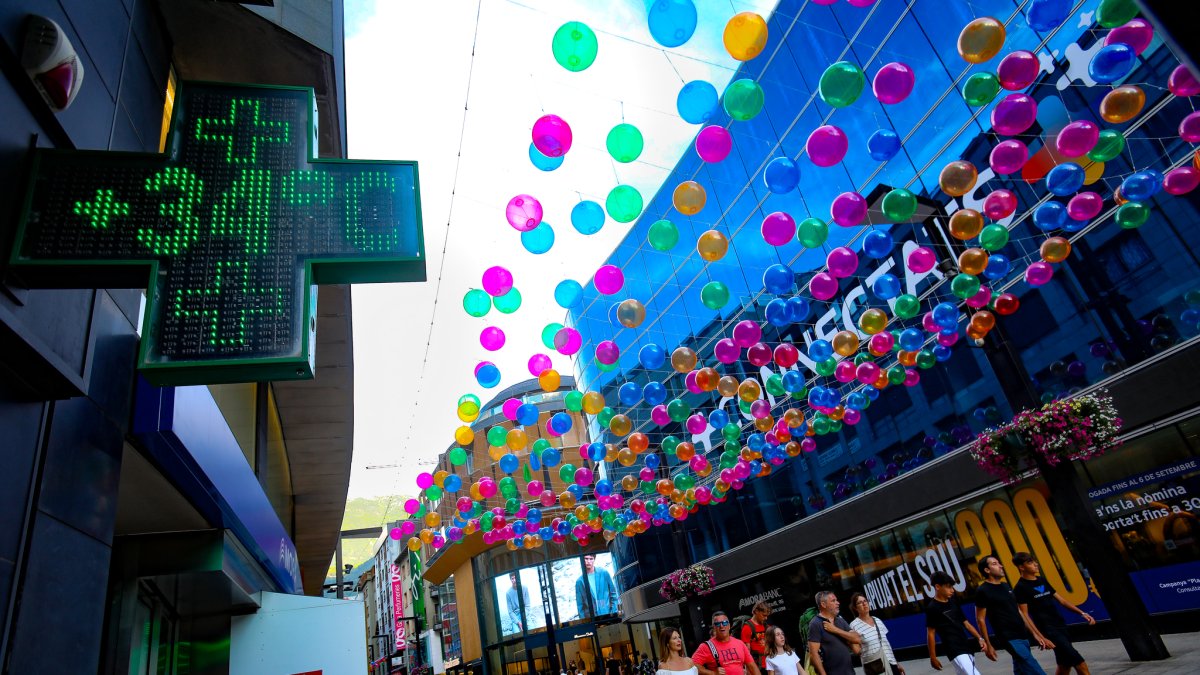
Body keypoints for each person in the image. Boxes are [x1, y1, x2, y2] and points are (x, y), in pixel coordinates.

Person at [1011, 552, 1095, 675]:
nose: (1035, 564)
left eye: (1034, 561)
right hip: (1048, 630)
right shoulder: (1020, 588)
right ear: (1021, 567)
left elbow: (1062, 600)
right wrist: (1040, 636)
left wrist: (1082, 613)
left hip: (1060, 625)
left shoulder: (1042, 580)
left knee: (1064, 664)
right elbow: (1024, 615)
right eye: (1030, 562)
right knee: (1079, 662)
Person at [973, 555, 1050, 675]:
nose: (1000, 566)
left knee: (1021, 669)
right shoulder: (983, 590)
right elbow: (980, 619)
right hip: (1009, 637)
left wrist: (1034, 633)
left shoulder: (1005, 586)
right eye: (994, 564)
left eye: (999, 563)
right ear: (987, 570)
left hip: (1022, 634)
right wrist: (988, 644)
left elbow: (1018, 611)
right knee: (1034, 668)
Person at [925, 571, 986, 675]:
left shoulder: (953, 601)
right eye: (948, 587)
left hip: (966, 645)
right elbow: (931, 633)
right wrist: (933, 657)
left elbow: (965, 623)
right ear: (937, 587)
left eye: (952, 587)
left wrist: (979, 638)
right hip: (954, 649)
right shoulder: (932, 608)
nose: (952, 590)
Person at [692, 610, 762, 675]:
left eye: (725, 622)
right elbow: (692, 666)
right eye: (718, 624)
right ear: (714, 627)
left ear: (729, 625)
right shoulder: (706, 646)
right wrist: (713, 673)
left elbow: (752, 667)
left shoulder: (739, 643)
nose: (722, 626)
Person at [849, 592, 904, 675]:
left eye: (865, 601)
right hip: (875, 666)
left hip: (891, 662)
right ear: (855, 608)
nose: (864, 604)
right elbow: (857, 650)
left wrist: (896, 663)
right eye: (860, 603)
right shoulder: (854, 625)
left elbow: (886, 645)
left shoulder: (877, 620)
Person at [807, 591, 861, 675]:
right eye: (833, 601)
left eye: (837, 600)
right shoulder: (815, 624)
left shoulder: (840, 620)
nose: (838, 603)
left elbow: (857, 639)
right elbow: (813, 654)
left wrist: (835, 629)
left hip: (850, 672)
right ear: (823, 605)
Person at [740, 601, 771, 669]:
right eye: (764, 615)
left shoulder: (766, 626)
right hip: (758, 666)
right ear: (756, 611)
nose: (766, 618)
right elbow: (746, 652)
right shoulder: (747, 628)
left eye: (767, 616)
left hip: (770, 664)